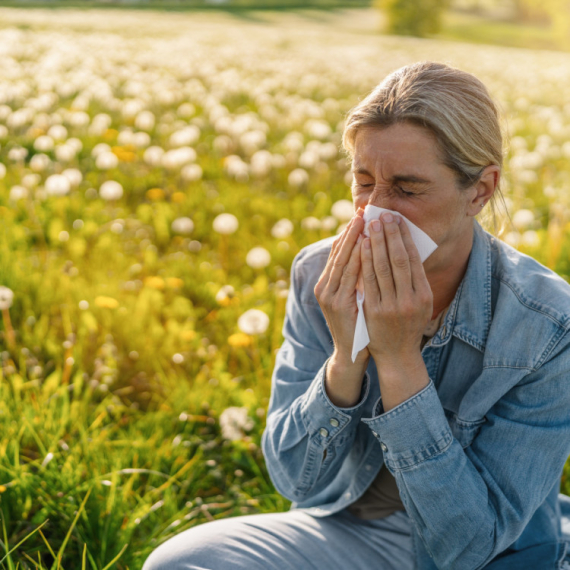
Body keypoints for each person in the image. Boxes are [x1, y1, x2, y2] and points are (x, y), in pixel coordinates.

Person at [142, 61, 570, 570]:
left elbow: (469, 546)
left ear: (479, 190)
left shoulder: (548, 325)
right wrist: (346, 358)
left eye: (408, 189)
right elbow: (296, 481)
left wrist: (398, 360)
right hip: (355, 527)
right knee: (180, 562)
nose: (375, 211)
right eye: (364, 182)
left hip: (492, 554)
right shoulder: (321, 274)